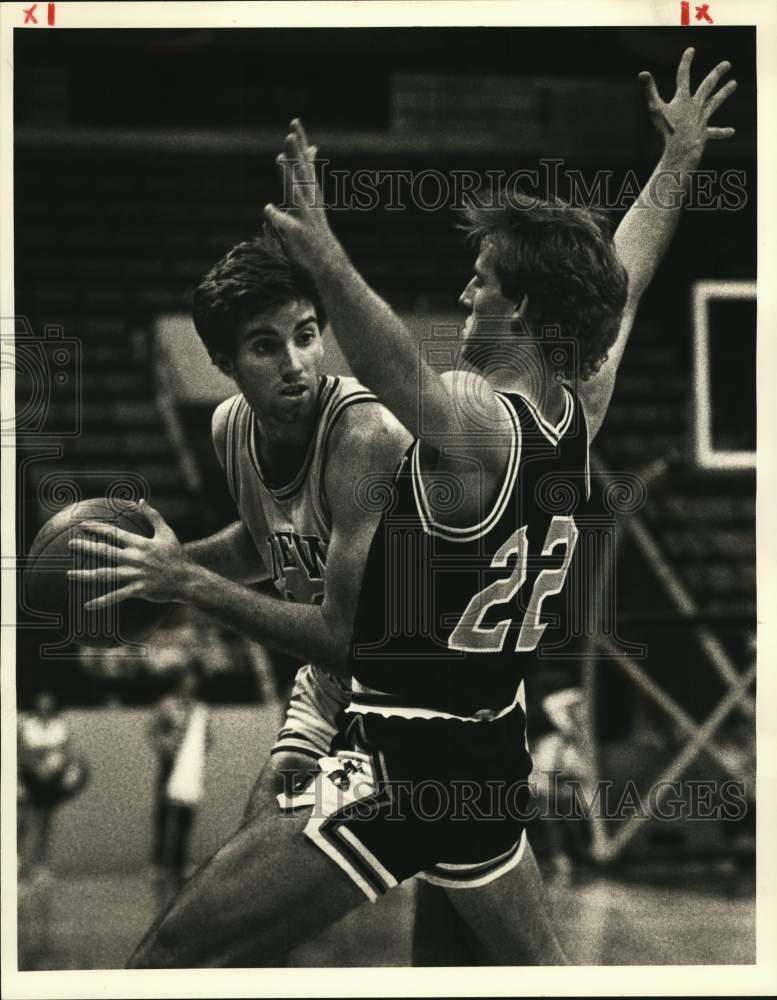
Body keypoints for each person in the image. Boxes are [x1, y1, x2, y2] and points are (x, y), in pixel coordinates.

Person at [71, 48, 736, 966]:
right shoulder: (579, 405)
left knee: (175, 955)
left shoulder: (478, 427)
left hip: (403, 754)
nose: (465, 291)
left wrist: (324, 252)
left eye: (482, 281)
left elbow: (390, 365)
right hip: (491, 757)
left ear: (522, 309)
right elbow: (626, 273)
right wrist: (676, 164)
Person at [148, 665, 213, 893]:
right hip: (169, 766)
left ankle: (180, 862)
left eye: (193, 681)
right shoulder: (166, 705)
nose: (189, 685)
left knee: (186, 816)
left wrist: (195, 759)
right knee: (164, 814)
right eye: (186, 681)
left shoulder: (200, 709)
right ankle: (159, 863)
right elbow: (154, 731)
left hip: (190, 768)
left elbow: (208, 739)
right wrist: (168, 747)